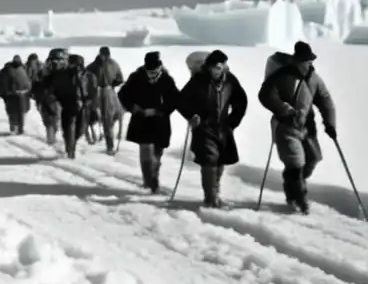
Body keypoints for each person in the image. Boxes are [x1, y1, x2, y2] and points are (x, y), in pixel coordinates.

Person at [257, 41, 337, 214]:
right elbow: (265, 95)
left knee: (313, 158)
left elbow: (325, 99)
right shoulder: (282, 76)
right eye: (305, 61)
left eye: (310, 61)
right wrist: (284, 108)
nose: (309, 64)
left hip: (308, 127)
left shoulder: (313, 78)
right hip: (286, 126)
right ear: (296, 60)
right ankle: (301, 202)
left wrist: (330, 123)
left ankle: (293, 184)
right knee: (295, 163)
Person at [177, 49, 248, 208]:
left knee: (221, 161)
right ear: (208, 67)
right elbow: (181, 101)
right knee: (209, 160)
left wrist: (233, 120)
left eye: (221, 66)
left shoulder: (230, 80)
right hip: (204, 127)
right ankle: (210, 198)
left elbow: (241, 101)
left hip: (223, 128)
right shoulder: (198, 80)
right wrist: (191, 116)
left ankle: (215, 192)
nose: (219, 70)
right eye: (215, 67)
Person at [117, 51, 181, 193]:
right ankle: (149, 181)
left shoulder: (167, 79)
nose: (153, 75)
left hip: (160, 121)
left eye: (155, 71)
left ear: (160, 67)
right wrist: (133, 107)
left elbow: (175, 99)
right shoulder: (136, 77)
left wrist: (161, 110)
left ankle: (154, 176)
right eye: (150, 72)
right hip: (141, 120)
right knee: (145, 150)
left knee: (157, 153)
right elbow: (123, 94)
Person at [87, 46, 125, 154]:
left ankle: (107, 132)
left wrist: (112, 85)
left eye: (106, 55)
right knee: (106, 118)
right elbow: (86, 78)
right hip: (98, 93)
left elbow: (120, 78)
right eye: (103, 54)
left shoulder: (113, 63)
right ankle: (110, 145)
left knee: (118, 114)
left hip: (109, 91)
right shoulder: (93, 66)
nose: (105, 57)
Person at [31, 48, 68, 146]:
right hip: (55, 99)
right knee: (55, 120)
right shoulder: (63, 71)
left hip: (46, 99)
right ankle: (53, 140)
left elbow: (35, 85)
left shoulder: (44, 70)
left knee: (49, 121)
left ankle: (51, 139)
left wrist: (37, 98)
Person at [0, 55, 32, 134]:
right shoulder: (7, 70)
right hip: (11, 96)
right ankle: (13, 130)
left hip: (23, 95)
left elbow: (28, 81)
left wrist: (28, 90)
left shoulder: (23, 69)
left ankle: (20, 130)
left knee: (21, 113)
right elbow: (1, 83)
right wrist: (5, 94)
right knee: (13, 113)